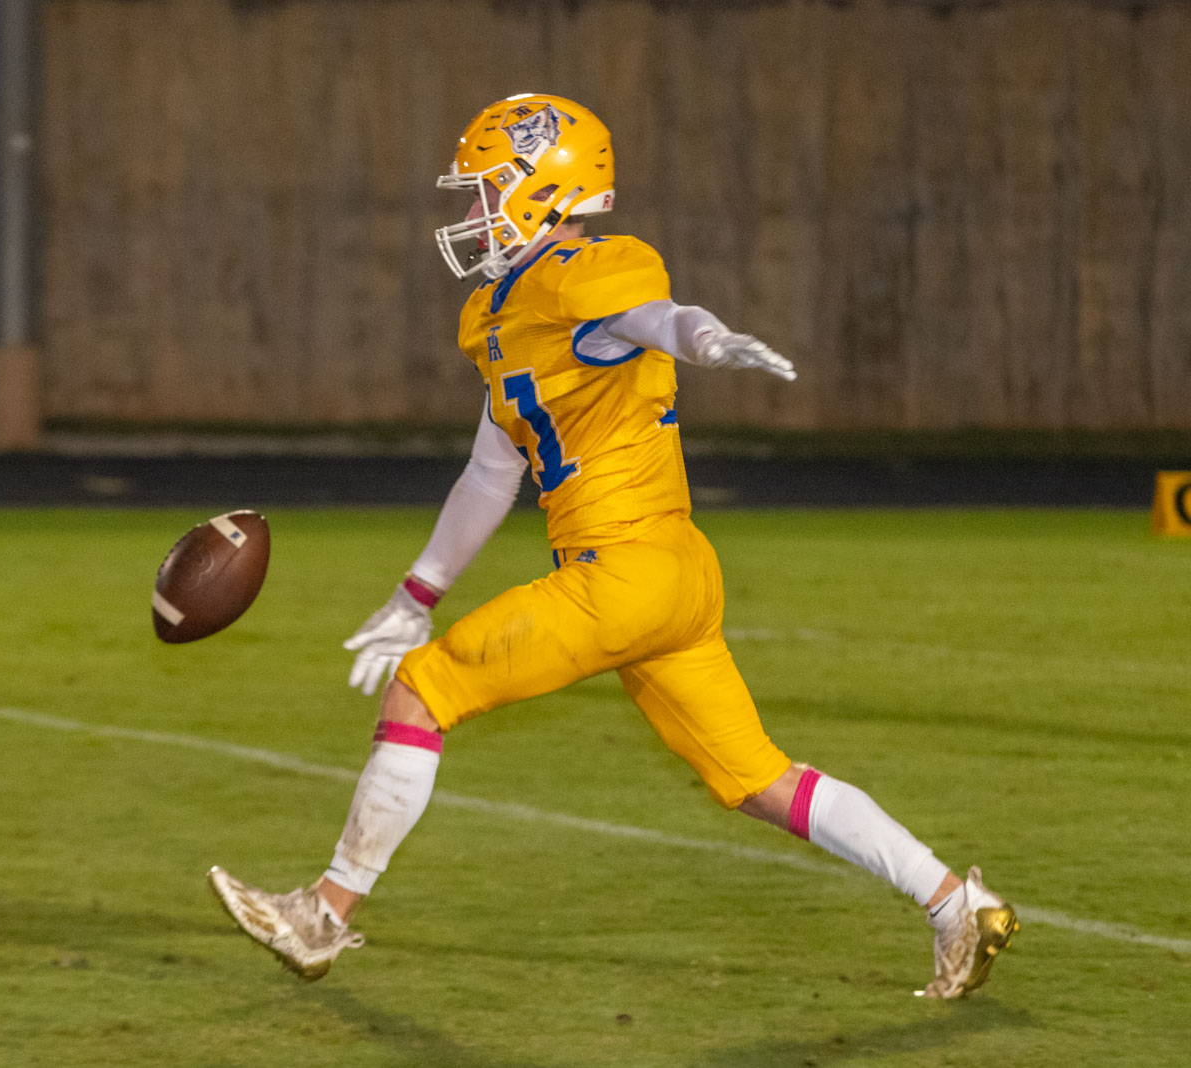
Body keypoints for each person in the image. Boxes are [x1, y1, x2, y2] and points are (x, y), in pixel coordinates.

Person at [208, 93, 1017, 999]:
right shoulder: (503, 311)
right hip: (673, 578)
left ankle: (321, 916)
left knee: (423, 691)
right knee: (756, 779)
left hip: (622, 569)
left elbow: (654, 317)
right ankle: (957, 904)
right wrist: (416, 593)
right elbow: (490, 473)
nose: (472, 211)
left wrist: (704, 337)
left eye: (486, 191)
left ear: (544, 190)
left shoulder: (587, 271)